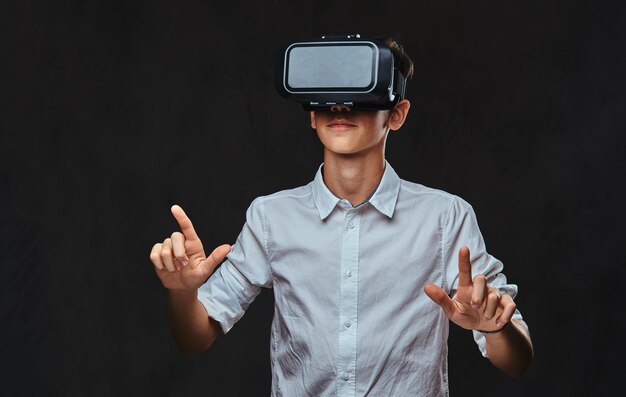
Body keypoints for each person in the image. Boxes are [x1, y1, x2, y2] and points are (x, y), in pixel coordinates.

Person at [149, 37, 533, 396]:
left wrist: (495, 327)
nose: (339, 105)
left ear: (397, 114)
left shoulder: (446, 217)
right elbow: (194, 338)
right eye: (326, 96)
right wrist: (182, 294)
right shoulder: (271, 217)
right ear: (312, 116)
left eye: (358, 91)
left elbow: (517, 360)